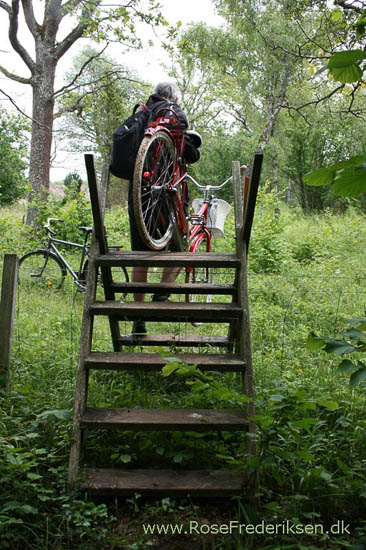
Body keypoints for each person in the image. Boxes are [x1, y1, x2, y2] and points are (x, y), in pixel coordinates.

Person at [128, 82, 201, 335]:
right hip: (167, 194)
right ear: (174, 98)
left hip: (139, 195)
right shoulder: (173, 113)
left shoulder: (141, 113)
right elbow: (188, 154)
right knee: (182, 244)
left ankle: (138, 318)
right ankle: (162, 291)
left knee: (140, 254)